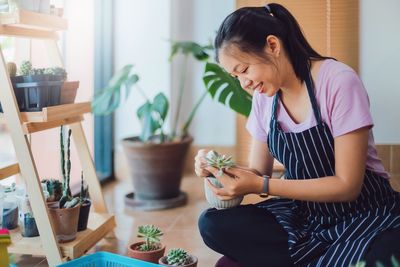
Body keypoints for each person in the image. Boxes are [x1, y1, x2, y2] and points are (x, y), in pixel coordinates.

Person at [195, 3, 400, 267]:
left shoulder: (338, 81)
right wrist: (217, 170)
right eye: (235, 77)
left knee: (383, 254)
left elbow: (348, 186)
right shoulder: (264, 98)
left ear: (272, 45)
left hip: (366, 213)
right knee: (212, 224)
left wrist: (262, 186)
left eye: (244, 70)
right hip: (305, 216)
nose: (244, 83)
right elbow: (258, 172)